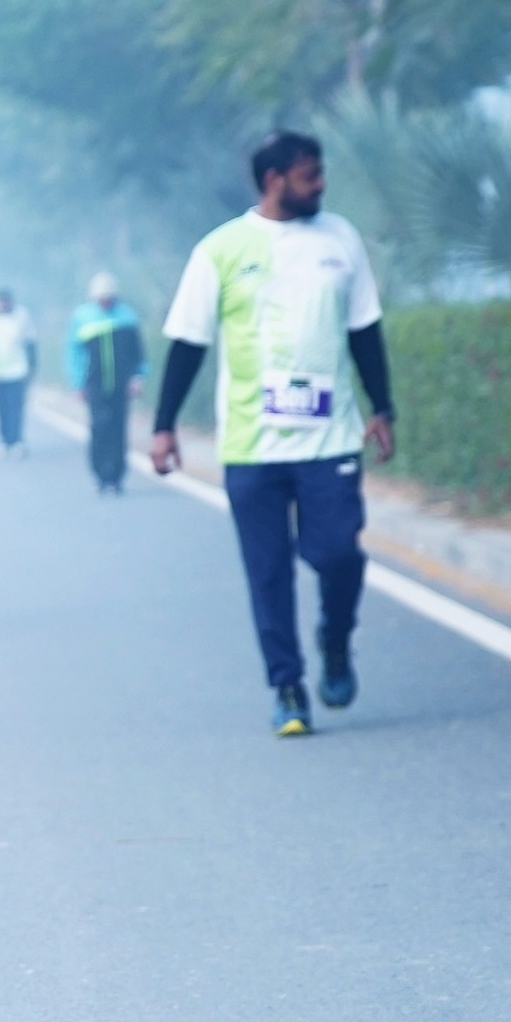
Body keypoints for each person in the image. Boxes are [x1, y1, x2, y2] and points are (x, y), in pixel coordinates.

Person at [149, 130, 394, 736]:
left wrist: (383, 408)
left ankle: (335, 639)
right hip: (251, 445)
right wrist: (164, 426)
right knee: (268, 572)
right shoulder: (221, 249)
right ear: (274, 180)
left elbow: (364, 329)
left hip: (330, 439)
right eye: (310, 175)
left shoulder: (340, 240)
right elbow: (188, 343)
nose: (322, 184)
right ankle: (287, 687)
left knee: (337, 553)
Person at [67, 273, 144, 493]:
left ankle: (117, 476)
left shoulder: (127, 316)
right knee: (99, 429)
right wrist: (78, 384)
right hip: (95, 386)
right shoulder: (82, 318)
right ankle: (100, 474)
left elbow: (137, 352)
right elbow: (74, 354)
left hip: (122, 385)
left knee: (119, 430)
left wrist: (138, 377)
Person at [0, 287, 36, 453]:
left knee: (16, 407)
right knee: (1, 407)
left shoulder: (22, 316)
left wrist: (32, 366)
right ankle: (4, 439)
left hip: (18, 370)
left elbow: (30, 342)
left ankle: (17, 439)